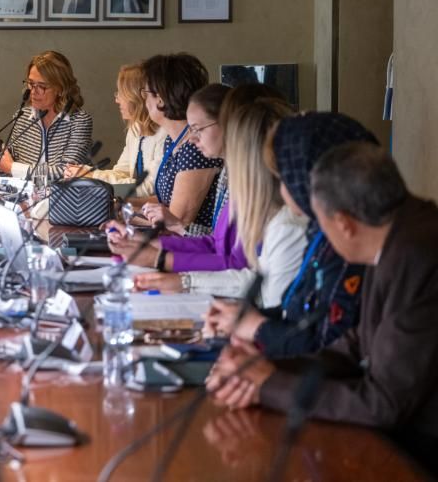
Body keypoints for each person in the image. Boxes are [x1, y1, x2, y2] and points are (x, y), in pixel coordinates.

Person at [207, 143, 438, 475]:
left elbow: (384, 404)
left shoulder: (418, 257)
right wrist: (264, 367)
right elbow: (354, 346)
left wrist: (268, 385)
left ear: (343, 224)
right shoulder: (395, 233)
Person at [204, 112, 374, 358]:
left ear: (308, 179)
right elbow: (296, 314)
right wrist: (243, 318)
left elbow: (326, 342)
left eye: (284, 178)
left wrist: (258, 328)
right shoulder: (320, 234)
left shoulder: (345, 246)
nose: (282, 190)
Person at [127, 96, 307, 307]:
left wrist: (163, 260)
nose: (192, 139)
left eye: (198, 129)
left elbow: (239, 265)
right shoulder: (236, 183)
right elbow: (223, 249)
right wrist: (152, 245)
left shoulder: (284, 220)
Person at [134, 54, 222, 233]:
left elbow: (176, 219)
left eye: (145, 93)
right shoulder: (172, 141)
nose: (144, 100)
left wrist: (122, 214)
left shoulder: (196, 147)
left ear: (160, 98)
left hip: (196, 242)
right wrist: (119, 205)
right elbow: (163, 203)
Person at [0, 51, 93, 181]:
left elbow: (67, 172)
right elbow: (6, 171)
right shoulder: (23, 117)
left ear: (60, 88)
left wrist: (13, 168)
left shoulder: (79, 121)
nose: (33, 91)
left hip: (63, 194)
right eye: (31, 83)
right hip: (25, 194)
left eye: (42, 86)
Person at [64, 63, 165, 197]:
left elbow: (150, 188)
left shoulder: (165, 134)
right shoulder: (135, 128)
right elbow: (121, 173)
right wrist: (87, 172)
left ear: (137, 97)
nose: (117, 100)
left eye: (121, 94)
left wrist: (93, 176)